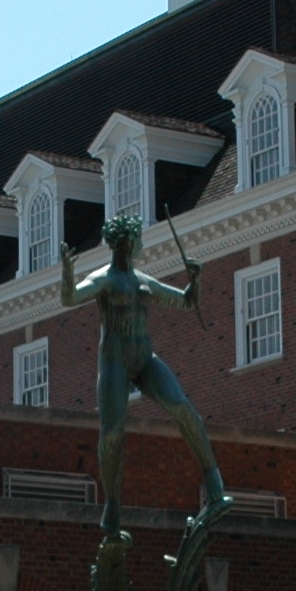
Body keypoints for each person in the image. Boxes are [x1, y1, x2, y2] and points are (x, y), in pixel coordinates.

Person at [70, 213, 229, 536]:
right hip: (115, 363)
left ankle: (213, 478)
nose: (140, 244)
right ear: (127, 243)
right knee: (111, 434)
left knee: (182, 406)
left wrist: (195, 281)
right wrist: (64, 272)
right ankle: (112, 504)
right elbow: (70, 297)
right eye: (137, 239)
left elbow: (186, 302)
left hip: (144, 360)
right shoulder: (104, 279)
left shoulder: (144, 281)